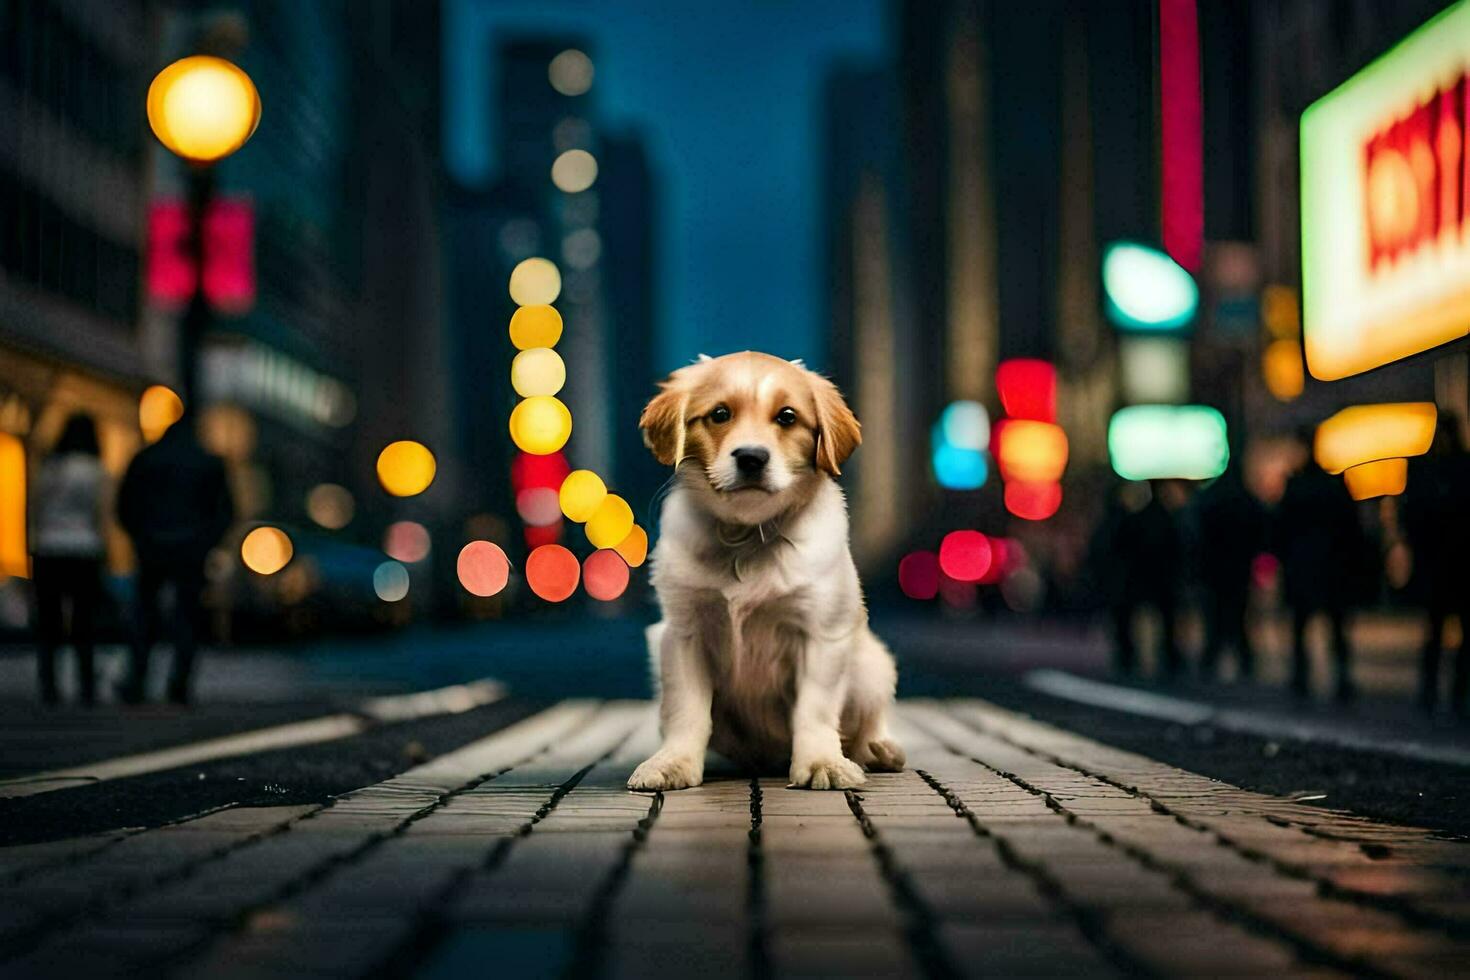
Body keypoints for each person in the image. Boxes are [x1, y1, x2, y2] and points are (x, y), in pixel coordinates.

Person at [116, 412, 234, 704]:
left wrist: (141, 537)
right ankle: (179, 683)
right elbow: (225, 510)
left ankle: (137, 678)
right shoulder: (208, 462)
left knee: (144, 614)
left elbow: (124, 504)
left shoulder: (145, 459)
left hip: (153, 546)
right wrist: (207, 542)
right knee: (187, 616)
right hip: (191, 548)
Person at [1276, 429, 1366, 701]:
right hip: (1331, 566)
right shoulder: (1333, 485)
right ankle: (1339, 679)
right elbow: (1352, 528)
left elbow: (1280, 529)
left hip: (1305, 565)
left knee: (1303, 626)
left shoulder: (1296, 486)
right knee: (1335, 627)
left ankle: (1301, 678)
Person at [29, 414, 108, 705]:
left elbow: (34, 510)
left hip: (48, 548)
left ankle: (48, 685)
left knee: (48, 623)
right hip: (84, 549)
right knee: (83, 622)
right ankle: (85, 685)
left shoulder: (49, 468)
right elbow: (101, 514)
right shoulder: (95, 471)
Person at [1402, 413, 1470, 715]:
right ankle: (1440, 690)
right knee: (1436, 629)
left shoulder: (1434, 472)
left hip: (1449, 563)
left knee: (1441, 630)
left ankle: (1452, 690)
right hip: (1445, 564)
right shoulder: (1447, 471)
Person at [1195, 462, 1267, 682]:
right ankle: (1243, 662)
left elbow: (1198, 536)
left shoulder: (1211, 500)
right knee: (1237, 618)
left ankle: (1212, 662)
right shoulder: (1243, 500)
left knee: (1216, 619)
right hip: (1237, 569)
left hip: (1217, 570)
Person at [1107, 480, 1185, 679]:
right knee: (1157, 617)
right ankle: (1164, 657)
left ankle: (1137, 657)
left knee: (1158, 617)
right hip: (1151, 577)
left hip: (1148, 576)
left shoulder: (1137, 518)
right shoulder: (1161, 518)